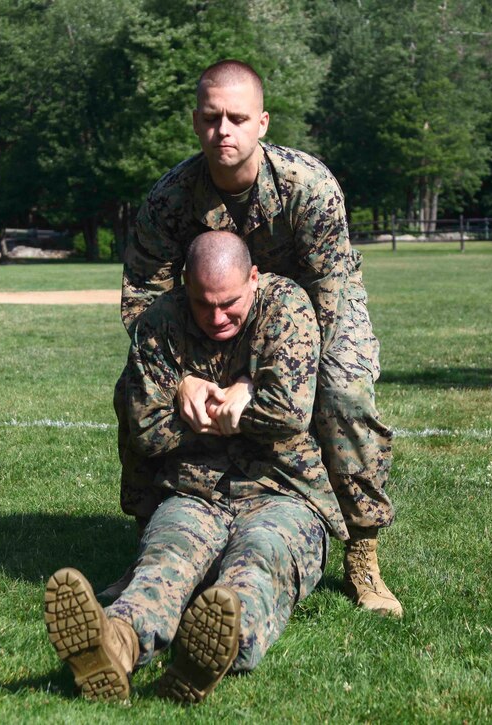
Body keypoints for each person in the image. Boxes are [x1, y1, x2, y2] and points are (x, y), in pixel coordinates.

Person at [115, 59, 401, 617]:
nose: (224, 130)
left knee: (344, 394)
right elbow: (144, 298)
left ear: (262, 124)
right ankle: (150, 529)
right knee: (134, 390)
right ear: (196, 123)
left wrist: (264, 374)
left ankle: (362, 544)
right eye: (211, 118)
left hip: (316, 312)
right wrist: (182, 379)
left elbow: (329, 291)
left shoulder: (307, 187)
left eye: (238, 118)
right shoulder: (169, 199)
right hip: (214, 317)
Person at [45, 231, 346, 704]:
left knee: (260, 561)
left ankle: (210, 650)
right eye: (203, 303)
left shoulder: (287, 307)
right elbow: (146, 429)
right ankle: (115, 644)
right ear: (185, 284)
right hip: (193, 492)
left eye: (229, 303)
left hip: (283, 493)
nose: (216, 317)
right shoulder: (161, 321)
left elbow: (288, 415)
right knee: (165, 560)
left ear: (253, 277)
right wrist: (231, 407)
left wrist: (216, 406)